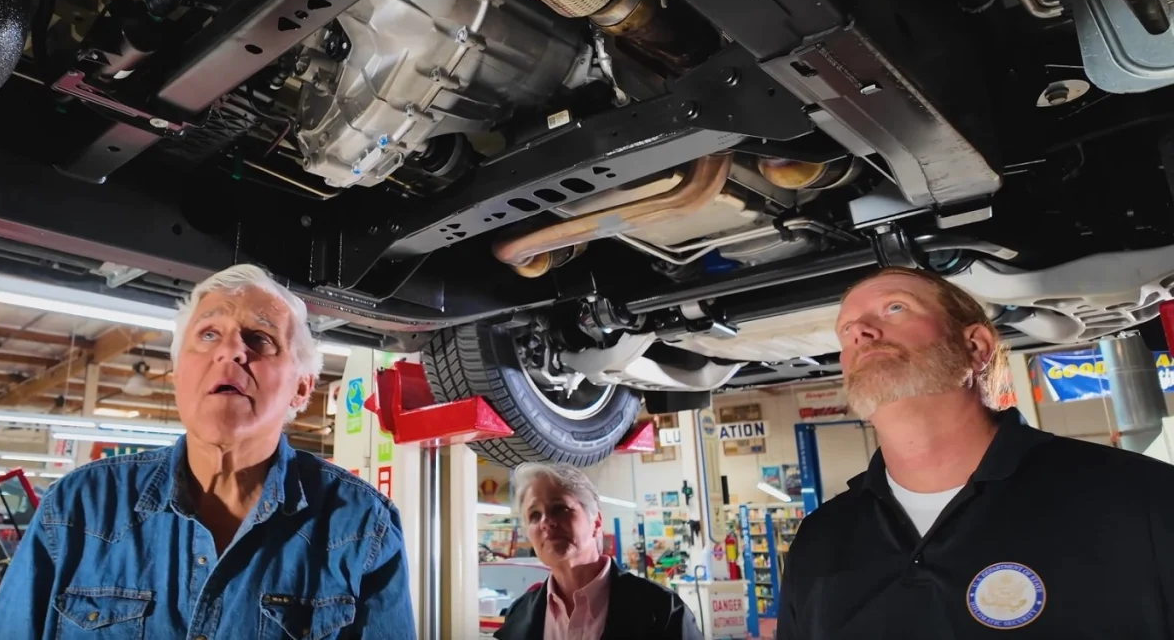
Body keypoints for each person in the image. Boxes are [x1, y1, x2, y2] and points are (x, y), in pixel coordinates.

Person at [0, 264, 415, 639]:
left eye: (260, 339)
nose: (230, 351)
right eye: (208, 334)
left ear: (302, 387)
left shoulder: (361, 525)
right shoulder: (78, 508)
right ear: (177, 373)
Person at [777, 266, 1174, 638]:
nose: (860, 330)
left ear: (975, 346)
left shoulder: (1140, 498)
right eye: (845, 330)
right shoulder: (820, 540)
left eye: (894, 308)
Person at [496, 462, 702, 640]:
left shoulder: (663, 610)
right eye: (534, 515)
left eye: (559, 508)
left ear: (596, 521)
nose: (546, 522)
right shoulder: (518, 616)